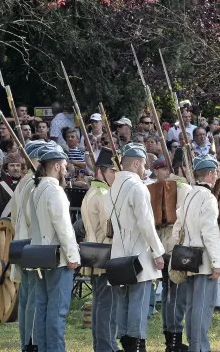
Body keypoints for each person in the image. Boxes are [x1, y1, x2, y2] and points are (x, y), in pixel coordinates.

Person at [110, 143, 166, 351]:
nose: (145, 170)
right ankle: (136, 343)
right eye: (143, 165)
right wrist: (158, 252)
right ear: (135, 163)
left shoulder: (113, 186)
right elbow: (146, 224)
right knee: (138, 303)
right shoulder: (137, 187)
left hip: (119, 253)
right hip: (139, 254)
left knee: (123, 301)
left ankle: (126, 342)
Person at [171, 154, 220, 352]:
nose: (217, 176)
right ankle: (199, 347)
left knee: (193, 306)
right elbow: (209, 232)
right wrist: (217, 262)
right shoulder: (208, 197)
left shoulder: (189, 194)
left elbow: (177, 229)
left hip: (188, 256)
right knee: (203, 307)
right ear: (210, 174)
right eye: (216, 172)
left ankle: (195, 344)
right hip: (204, 259)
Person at [30, 143, 80, 352]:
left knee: (42, 307)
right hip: (57, 257)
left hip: (40, 255)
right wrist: (72, 255)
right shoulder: (55, 191)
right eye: (65, 166)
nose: (66, 170)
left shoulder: (37, 189)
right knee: (57, 311)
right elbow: (64, 227)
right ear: (58, 166)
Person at [149, 156, 191, 352]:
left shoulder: (155, 188)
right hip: (174, 246)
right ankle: (173, 339)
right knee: (175, 294)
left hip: (161, 245)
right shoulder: (182, 188)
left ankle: (170, 336)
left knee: (169, 292)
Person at [80, 147, 119, 352]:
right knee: (107, 304)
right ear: (102, 171)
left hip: (94, 253)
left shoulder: (92, 192)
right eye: (113, 171)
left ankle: (103, 345)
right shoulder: (104, 193)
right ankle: (106, 346)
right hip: (105, 253)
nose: (116, 175)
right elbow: (110, 227)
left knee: (100, 302)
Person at [11, 140, 45, 352]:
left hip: (22, 245)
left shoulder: (24, 182)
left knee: (26, 297)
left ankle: (27, 341)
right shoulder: (34, 184)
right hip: (34, 245)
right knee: (33, 297)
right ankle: (31, 342)